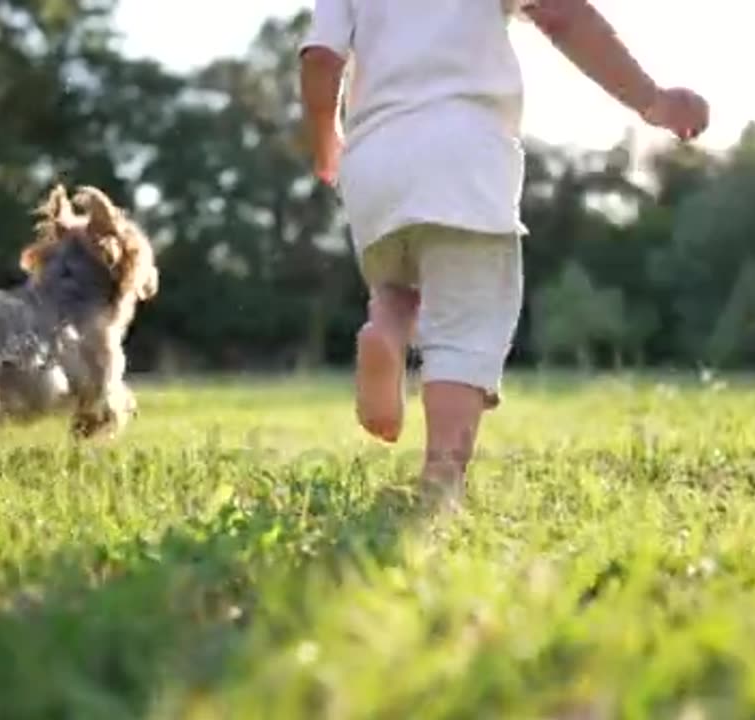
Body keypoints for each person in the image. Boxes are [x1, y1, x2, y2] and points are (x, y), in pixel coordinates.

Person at [298, 0, 709, 510]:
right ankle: (441, 480)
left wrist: (325, 142)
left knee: (400, 278)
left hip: (373, 163)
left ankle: (386, 325)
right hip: (464, 153)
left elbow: (320, 58)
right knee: (464, 330)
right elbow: (564, 16)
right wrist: (651, 99)